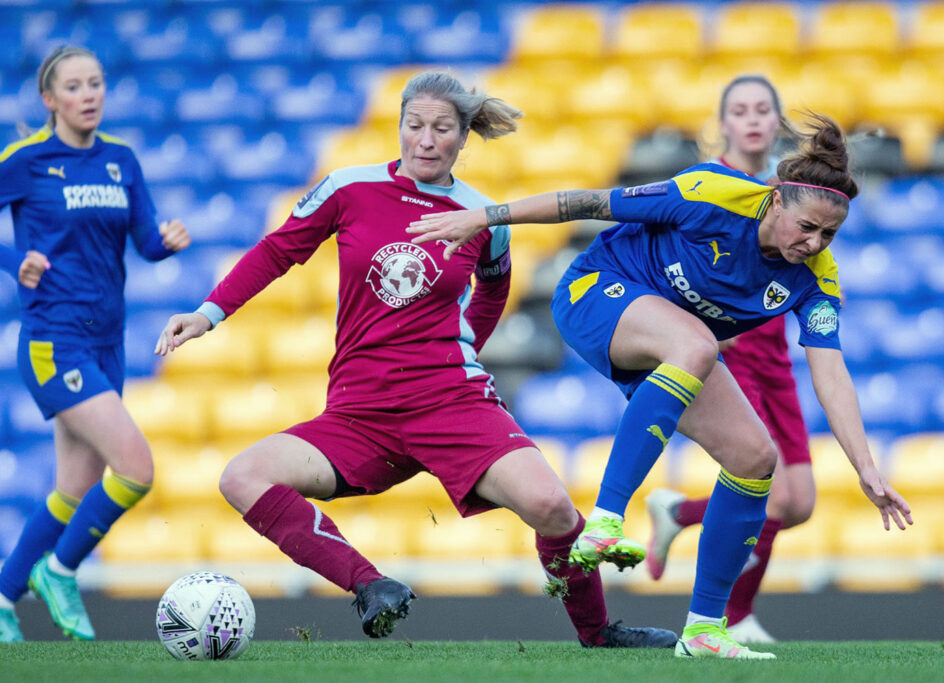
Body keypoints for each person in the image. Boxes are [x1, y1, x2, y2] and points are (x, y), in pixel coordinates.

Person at [155, 70, 675, 648]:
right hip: (360, 411)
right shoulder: (347, 188)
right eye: (415, 125)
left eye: (442, 128)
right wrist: (208, 313)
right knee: (242, 476)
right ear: (400, 127)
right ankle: (369, 584)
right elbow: (279, 251)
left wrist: (468, 351)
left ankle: (598, 634)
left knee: (553, 507)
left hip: (451, 402)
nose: (426, 139)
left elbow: (495, 286)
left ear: (462, 138)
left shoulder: (481, 215)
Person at [406, 112, 913, 660]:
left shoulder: (816, 278)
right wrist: (484, 217)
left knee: (755, 456)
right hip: (594, 294)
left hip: (673, 347)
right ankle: (605, 518)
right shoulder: (712, 193)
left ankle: (703, 630)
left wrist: (866, 468)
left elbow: (830, 372)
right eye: (806, 227)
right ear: (774, 199)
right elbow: (587, 204)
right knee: (697, 345)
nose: (814, 243)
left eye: (828, 235)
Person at [0, 46, 191, 642]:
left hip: (107, 342)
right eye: (75, 86)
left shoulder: (121, 161)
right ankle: (59, 571)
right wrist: (13, 261)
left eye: (96, 83)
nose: (89, 94)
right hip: (55, 341)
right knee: (135, 468)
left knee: (73, 489)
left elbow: (144, 243)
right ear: (50, 100)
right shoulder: (27, 160)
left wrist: (167, 242)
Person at [644, 74, 814, 644]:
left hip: (777, 361)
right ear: (724, 123)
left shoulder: (793, 192)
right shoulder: (705, 185)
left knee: (801, 504)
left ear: (777, 120)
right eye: (740, 109)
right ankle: (733, 617)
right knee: (773, 490)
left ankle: (679, 514)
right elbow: (662, 261)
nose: (753, 119)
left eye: (763, 108)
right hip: (733, 355)